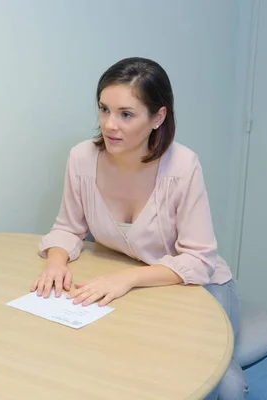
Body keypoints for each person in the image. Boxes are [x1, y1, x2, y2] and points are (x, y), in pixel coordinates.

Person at [31, 57, 247, 399]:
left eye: (126, 114)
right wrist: (56, 262)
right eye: (104, 109)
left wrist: (126, 279)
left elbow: (199, 260)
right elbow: (67, 228)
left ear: (158, 117)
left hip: (197, 287)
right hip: (131, 284)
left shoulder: (183, 166)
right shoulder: (82, 158)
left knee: (225, 383)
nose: (109, 125)